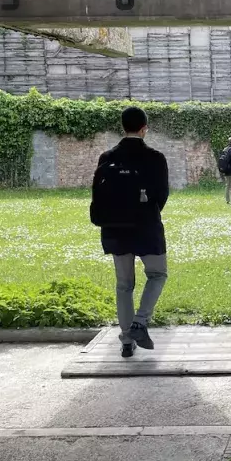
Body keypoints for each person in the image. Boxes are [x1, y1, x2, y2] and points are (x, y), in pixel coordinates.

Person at [91, 106, 170, 358]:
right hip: (146, 227)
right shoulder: (156, 158)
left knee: (124, 285)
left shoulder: (106, 157)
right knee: (157, 274)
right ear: (145, 128)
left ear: (122, 127)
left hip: (115, 230)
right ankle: (140, 322)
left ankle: (126, 340)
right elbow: (161, 196)